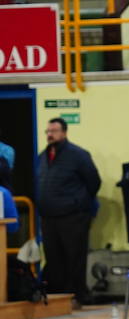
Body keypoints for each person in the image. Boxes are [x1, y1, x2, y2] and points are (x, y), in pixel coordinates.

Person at [36, 117, 101, 304]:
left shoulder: (78, 155)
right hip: (49, 217)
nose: (49, 134)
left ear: (64, 133)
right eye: (47, 131)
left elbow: (94, 182)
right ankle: (59, 296)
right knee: (54, 258)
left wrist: (78, 202)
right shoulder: (43, 156)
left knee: (74, 257)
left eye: (54, 131)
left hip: (73, 216)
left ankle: (78, 295)